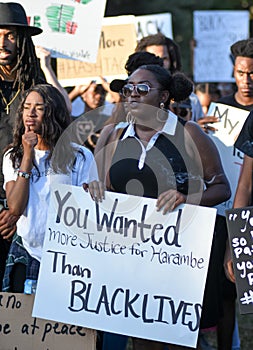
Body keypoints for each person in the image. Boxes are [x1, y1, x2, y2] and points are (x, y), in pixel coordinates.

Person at [94, 64, 231, 350]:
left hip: (178, 255)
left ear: (163, 96)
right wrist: (92, 193)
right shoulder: (114, 136)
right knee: (143, 337)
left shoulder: (188, 133)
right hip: (133, 253)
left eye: (142, 89)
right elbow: (107, 190)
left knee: (179, 338)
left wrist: (186, 198)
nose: (132, 95)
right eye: (127, 89)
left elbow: (221, 187)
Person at [0, 1, 72, 290]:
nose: (3, 43)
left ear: (23, 41)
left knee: (19, 296)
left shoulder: (37, 88)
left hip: (28, 203)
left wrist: (15, 210)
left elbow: (56, 140)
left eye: (10, 36)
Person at [1, 84, 99, 292]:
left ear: (53, 112)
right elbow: (15, 207)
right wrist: (27, 156)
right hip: (26, 253)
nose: (31, 113)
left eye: (39, 107)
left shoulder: (80, 156)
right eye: (27, 107)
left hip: (65, 256)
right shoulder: (13, 157)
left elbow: (89, 208)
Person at [135, 33, 203, 121]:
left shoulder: (191, 100)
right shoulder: (131, 96)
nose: (159, 63)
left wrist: (197, 129)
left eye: (164, 59)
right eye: (153, 58)